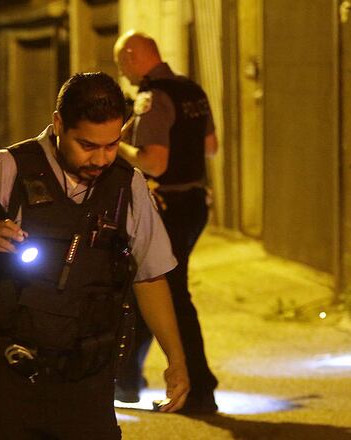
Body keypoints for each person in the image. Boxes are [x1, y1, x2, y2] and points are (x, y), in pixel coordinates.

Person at [0, 72, 190, 439]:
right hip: (4, 375)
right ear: (57, 125)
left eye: (111, 145)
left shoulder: (126, 183)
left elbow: (150, 275)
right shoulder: (7, 168)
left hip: (84, 379)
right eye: (87, 145)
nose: (100, 159)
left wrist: (176, 361)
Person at [113, 30, 219, 414]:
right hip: (195, 203)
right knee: (151, 287)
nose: (121, 72)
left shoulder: (152, 98)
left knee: (166, 293)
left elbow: (154, 162)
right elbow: (211, 147)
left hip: (168, 206)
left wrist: (115, 146)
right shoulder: (192, 90)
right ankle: (125, 379)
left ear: (131, 56)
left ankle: (199, 388)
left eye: (120, 62)